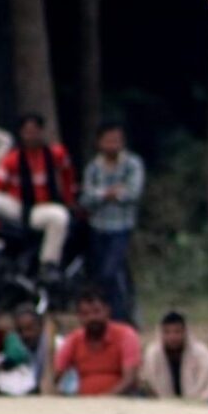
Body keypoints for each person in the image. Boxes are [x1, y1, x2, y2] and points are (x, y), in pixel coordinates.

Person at [0, 113, 77, 281]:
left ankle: (48, 264)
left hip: (42, 208)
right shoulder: (13, 158)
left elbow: (68, 176)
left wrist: (70, 201)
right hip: (19, 208)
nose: (31, 136)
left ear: (41, 132)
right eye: (27, 132)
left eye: (34, 131)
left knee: (59, 217)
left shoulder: (56, 153)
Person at [80, 122, 145, 324]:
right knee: (103, 275)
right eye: (108, 140)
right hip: (98, 227)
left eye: (117, 140)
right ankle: (111, 314)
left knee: (111, 272)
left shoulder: (132, 164)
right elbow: (86, 199)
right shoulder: (93, 167)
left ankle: (119, 316)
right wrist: (111, 193)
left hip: (122, 227)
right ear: (99, 142)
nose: (113, 144)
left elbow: (133, 193)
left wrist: (103, 195)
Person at [54, 288, 141, 396]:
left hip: (122, 402)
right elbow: (56, 375)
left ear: (107, 311)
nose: (92, 318)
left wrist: (105, 400)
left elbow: (130, 379)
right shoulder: (73, 340)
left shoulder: (126, 335)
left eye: (96, 312)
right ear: (79, 317)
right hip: (83, 404)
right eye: (85, 314)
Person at [142, 311, 208, 402]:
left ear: (185, 332)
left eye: (177, 332)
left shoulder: (201, 354)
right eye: (167, 332)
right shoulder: (153, 356)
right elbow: (149, 386)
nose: (172, 337)